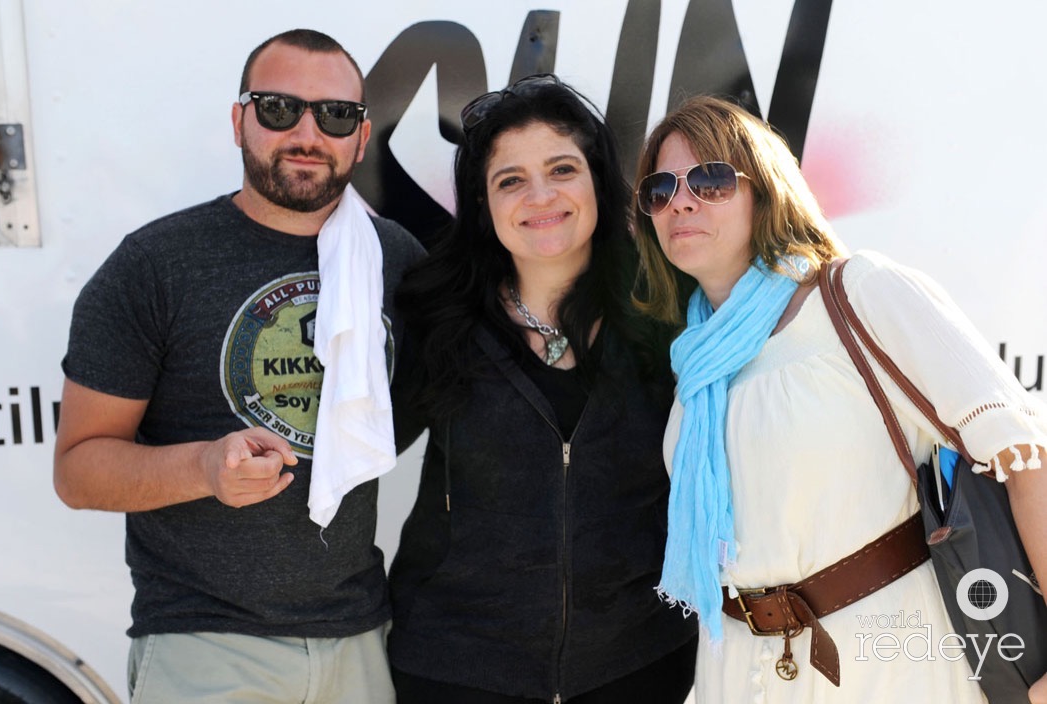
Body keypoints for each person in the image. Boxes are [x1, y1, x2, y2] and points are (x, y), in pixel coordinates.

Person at [631, 94, 1047, 703]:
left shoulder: (858, 294)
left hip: (893, 670)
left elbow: (1025, 458)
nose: (681, 200)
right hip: (740, 677)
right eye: (660, 189)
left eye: (712, 178)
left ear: (766, 191)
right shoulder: (697, 366)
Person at [53, 29, 424, 703]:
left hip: (361, 637)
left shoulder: (396, 262)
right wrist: (202, 468)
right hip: (207, 642)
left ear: (361, 138)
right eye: (280, 108)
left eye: (335, 115)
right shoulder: (155, 266)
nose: (308, 133)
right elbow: (78, 470)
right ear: (239, 120)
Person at [386, 74, 698, 703]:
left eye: (562, 169)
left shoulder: (669, 310)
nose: (540, 195)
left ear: (598, 184)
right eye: (510, 180)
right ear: (482, 204)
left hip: (639, 661)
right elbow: (352, 451)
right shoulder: (437, 317)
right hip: (456, 670)